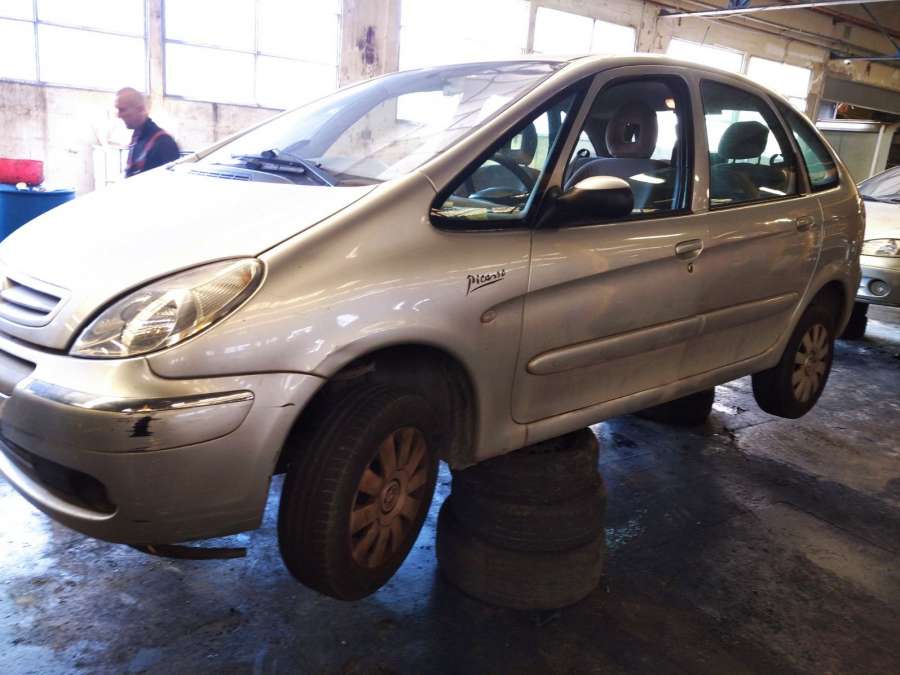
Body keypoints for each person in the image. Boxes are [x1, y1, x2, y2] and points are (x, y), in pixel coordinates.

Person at [115, 87, 180, 178]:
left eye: (122, 110)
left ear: (140, 109)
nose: (118, 115)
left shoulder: (164, 143)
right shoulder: (137, 137)